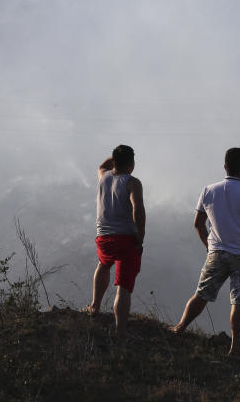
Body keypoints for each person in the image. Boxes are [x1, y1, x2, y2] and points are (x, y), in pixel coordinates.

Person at [170, 147, 240, 356]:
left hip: (217, 252)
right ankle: (235, 347)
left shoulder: (209, 190)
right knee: (239, 301)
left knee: (202, 294)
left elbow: (198, 224)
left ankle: (180, 327)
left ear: (225, 167)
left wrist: (209, 246)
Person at [85, 144, 145, 340]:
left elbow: (102, 164)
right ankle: (120, 330)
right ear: (131, 164)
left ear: (114, 161)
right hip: (125, 238)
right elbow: (138, 210)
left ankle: (94, 306)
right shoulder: (132, 182)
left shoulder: (103, 176)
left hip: (103, 237)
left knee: (103, 265)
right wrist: (140, 236)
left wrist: (115, 159)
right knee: (124, 286)